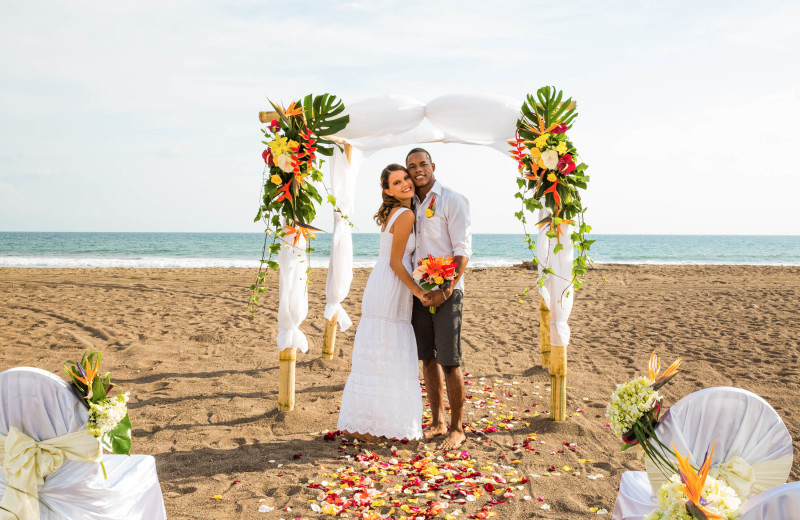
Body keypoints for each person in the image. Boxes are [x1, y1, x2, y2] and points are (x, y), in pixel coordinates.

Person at [337, 164, 429, 442]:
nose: (405, 184)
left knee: (381, 351)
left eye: (405, 179)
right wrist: (420, 292)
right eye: (397, 182)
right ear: (388, 190)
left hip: (383, 282)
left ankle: (368, 425)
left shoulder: (394, 212)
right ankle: (374, 426)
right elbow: (396, 261)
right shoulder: (406, 214)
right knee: (388, 348)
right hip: (391, 284)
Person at [406, 147, 472, 450]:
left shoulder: (452, 200)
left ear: (433, 166)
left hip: (447, 291)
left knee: (450, 361)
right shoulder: (410, 203)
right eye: (412, 166)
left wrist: (445, 290)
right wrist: (421, 291)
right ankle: (437, 420)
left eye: (422, 164)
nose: (418, 170)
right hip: (419, 292)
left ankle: (457, 427)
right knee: (428, 359)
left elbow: (462, 250)